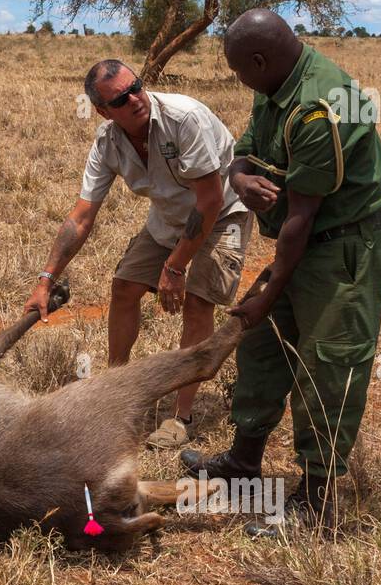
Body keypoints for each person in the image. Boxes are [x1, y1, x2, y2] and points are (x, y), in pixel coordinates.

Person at [181, 9, 381, 533]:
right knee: (263, 344)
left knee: (329, 367)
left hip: (343, 246)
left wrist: (267, 289)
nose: (239, 81)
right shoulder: (274, 82)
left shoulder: (320, 109)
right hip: (305, 240)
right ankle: (243, 464)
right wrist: (239, 177)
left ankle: (316, 503)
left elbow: (301, 218)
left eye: (238, 71)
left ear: (259, 59)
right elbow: (245, 150)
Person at [25, 59, 253, 449]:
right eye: (121, 98)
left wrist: (175, 266)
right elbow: (81, 217)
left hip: (222, 213)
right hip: (169, 218)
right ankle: (115, 394)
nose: (135, 99)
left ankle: (181, 416)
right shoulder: (107, 142)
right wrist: (46, 278)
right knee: (124, 287)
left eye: (137, 87)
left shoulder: (184, 119)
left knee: (198, 303)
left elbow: (210, 200)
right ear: (103, 111)